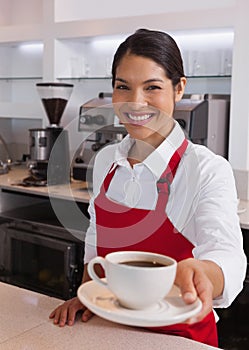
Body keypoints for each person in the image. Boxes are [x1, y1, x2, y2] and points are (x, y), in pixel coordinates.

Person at [49, 28, 247, 347]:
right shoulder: (106, 162)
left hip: (180, 337)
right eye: (122, 87)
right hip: (109, 331)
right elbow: (96, 240)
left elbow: (227, 253)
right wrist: (85, 295)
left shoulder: (207, 169)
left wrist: (206, 273)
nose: (135, 102)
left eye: (152, 87)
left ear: (179, 88)